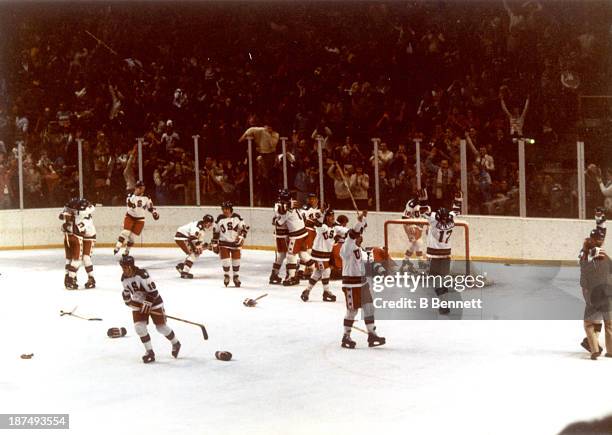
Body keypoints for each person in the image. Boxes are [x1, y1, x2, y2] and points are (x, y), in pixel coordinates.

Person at [120, 255, 180, 364]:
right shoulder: (124, 278)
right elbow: (127, 293)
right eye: (122, 267)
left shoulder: (142, 275)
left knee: (161, 327)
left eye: (125, 267)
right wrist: (127, 298)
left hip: (154, 302)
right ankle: (149, 352)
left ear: (131, 266)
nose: (123, 270)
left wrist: (147, 303)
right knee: (139, 327)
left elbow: (154, 292)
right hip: (139, 303)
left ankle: (175, 343)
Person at [339, 211, 385, 349]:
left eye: (361, 235)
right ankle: (346, 336)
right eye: (358, 235)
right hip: (351, 284)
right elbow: (353, 233)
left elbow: (368, 264)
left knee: (369, 308)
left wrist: (380, 269)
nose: (360, 237)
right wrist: (360, 222)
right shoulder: (347, 247)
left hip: (362, 283)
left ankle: (372, 335)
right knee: (352, 311)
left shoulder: (360, 249)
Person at [418, 188, 463, 315]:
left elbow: (424, 211)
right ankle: (444, 303)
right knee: (442, 279)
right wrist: (458, 200)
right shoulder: (451, 220)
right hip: (446, 253)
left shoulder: (433, 220)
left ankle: (443, 304)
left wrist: (423, 200)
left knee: (436, 281)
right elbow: (456, 211)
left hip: (434, 254)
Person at [579, 208, 610, 359]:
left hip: (590, 291)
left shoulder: (585, 254)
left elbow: (584, 276)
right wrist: (600, 220)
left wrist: (600, 221)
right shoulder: (603, 256)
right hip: (604, 290)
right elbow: (601, 233)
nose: (601, 238)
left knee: (591, 319)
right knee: (602, 319)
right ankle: (595, 343)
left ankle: (593, 344)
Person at [300, 208, 348, 303]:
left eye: (333, 216)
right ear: (326, 218)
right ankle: (326, 292)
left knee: (318, 272)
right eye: (330, 216)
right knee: (326, 271)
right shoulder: (322, 227)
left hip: (325, 254)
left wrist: (359, 227)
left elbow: (346, 231)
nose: (332, 218)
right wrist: (321, 213)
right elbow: (318, 223)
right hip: (319, 254)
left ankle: (307, 291)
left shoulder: (335, 228)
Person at [113, 180, 159, 256]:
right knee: (125, 232)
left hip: (140, 219)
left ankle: (127, 251)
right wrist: (134, 196)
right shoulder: (130, 195)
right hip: (130, 216)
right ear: (136, 188)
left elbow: (150, 207)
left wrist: (154, 213)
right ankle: (117, 247)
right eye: (140, 188)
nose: (141, 189)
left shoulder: (147, 196)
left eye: (142, 187)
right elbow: (130, 204)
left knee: (132, 238)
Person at [275, 194, 312, 286]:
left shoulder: (288, 210)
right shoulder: (293, 206)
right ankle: (316, 270)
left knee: (291, 255)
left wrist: (275, 220)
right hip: (303, 232)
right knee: (303, 254)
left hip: (296, 235)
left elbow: (279, 222)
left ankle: (292, 277)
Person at [211, 202, 248, 287]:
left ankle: (236, 277)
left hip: (235, 244)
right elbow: (216, 232)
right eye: (223, 209)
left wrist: (242, 236)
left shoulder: (237, 217)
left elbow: (244, 229)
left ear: (231, 209)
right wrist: (214, 243)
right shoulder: (219, 218)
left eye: (226, 209)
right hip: (223, 243)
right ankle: (226, 276)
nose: (225, 211)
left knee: (236, 261)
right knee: (226, 261)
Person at [174, 214, 214, 279]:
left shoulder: (202, 229)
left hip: (184, 237)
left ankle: (182, 266)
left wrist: (207, 246)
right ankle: (184, 272)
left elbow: (198, 242)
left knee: (196, 252)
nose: (210, 225)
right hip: (182, 237)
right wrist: (200, 247)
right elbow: (193, 238)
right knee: (194, 253)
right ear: (206, 222)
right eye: (210, 223)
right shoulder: (198, 226)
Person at [59, 197, 81, 289]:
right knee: (77, 260)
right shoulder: (77, 212)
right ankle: (71, 279)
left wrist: (65, 224)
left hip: (67, 237)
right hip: (75, 237)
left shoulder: (66, 210)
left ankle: (67, 277)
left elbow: (60, 217)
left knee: (69, 259)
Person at [74, 198, 97, 288]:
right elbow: (91, 206)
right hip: (84, 236)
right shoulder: (88, 209)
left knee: (85, 258)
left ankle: (91, 278)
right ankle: (74, 276)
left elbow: (76, 229)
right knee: (78, 257)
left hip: (89, 237)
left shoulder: (84, 219)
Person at [300, 193, 323, 280]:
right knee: (308, 251)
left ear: (317, 199)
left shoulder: (321, 209)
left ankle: (308, 270)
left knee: (316, 252)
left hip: (319, 234)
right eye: (310, 198)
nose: (311, 200)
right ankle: (302, 271)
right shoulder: (304, 209)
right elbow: (304, 221)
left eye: (313, 198)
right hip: (309, 232)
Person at [269, 189, 290, 284]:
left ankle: (275, 273)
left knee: (282, 255)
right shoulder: (279, 205)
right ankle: (289, 274)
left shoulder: (280, 204)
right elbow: (282, 213)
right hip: (282, 233)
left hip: (283, 232)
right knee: (287, 254)